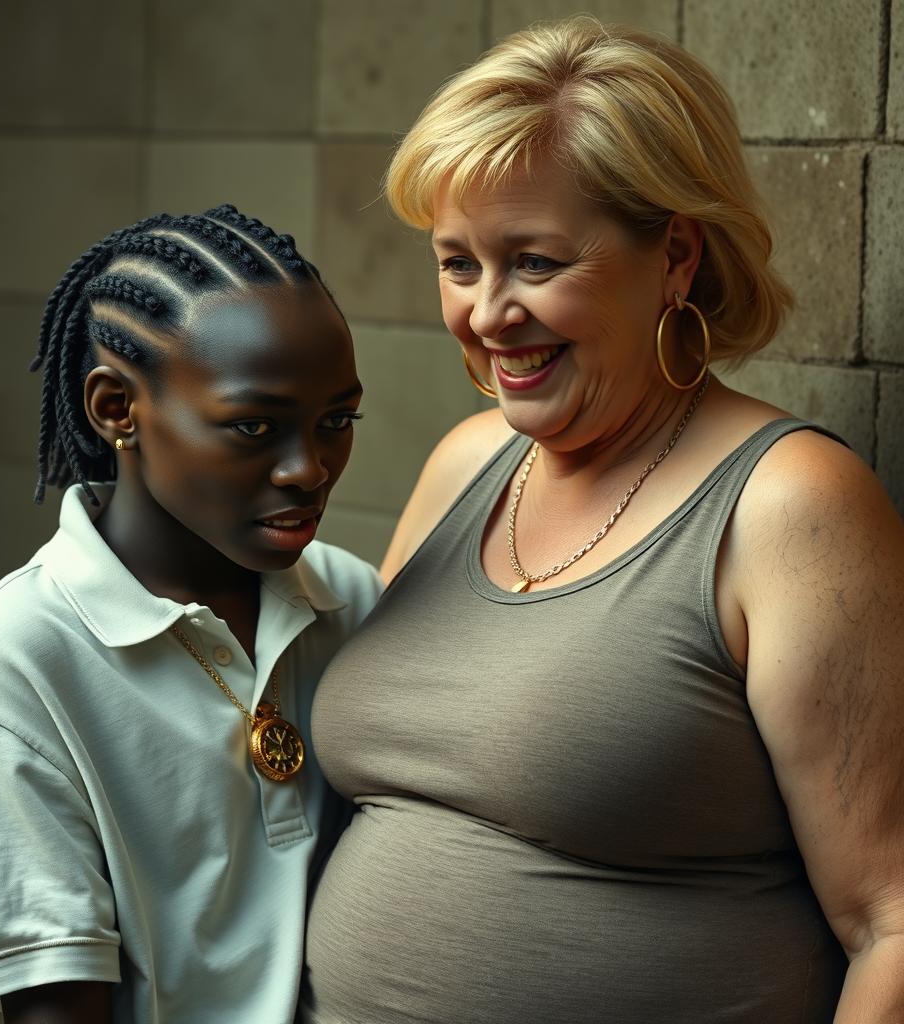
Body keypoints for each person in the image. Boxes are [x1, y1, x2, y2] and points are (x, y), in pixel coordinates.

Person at [299, 18, 904, 1023]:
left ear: (673, 256)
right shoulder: (466, 462)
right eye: (458, 264)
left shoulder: (789, 504)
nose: (487, 313)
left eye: (533, 262)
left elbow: (891, 914)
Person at [0, 203, 381, 1023]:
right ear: (116, 408)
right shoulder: (16, 659)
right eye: (253, 425)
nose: (309, 468)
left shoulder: (348, 599)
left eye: (336, 422)